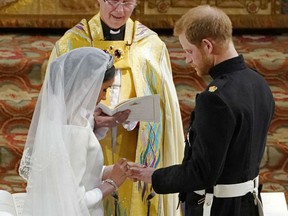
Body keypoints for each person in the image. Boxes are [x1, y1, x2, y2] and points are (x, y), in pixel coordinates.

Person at [128, 5, 275, 216]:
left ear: (207, 45)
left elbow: (201, 173)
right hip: (248, 205)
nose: (187, 59)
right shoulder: (259, 82)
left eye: (189, 51)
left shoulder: (215, 99)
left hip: (218, 209)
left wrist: (153, 176)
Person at [45, 0, 185, 215]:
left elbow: (165, 108)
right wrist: (89, 121)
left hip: (134, 141)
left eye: (127, 3)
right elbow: (55, 105)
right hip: (87, 143)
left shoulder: (150, 44)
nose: (119, 11)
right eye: (112, 1)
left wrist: (141, 116)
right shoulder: (71, 43)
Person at [19, 47, 132, 216]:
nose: (103, 97)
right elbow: (74, 202)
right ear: (88, 85)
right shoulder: (75, 130)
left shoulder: (59, 119)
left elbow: (67, 174)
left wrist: (112, 170)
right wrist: (111, 183)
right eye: (104, 89)